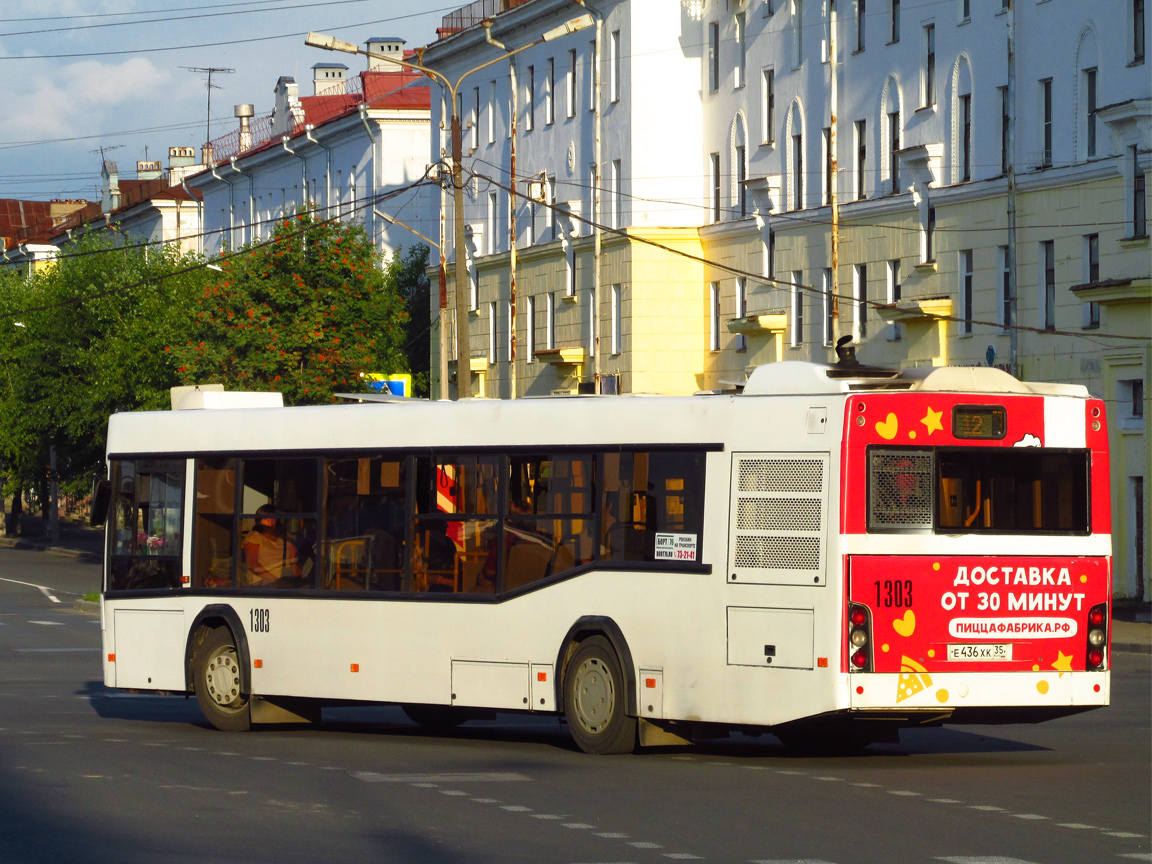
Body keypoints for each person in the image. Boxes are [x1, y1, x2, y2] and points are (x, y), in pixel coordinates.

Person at [243, 504, 300, 586]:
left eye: (274, 518)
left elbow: (294, 568)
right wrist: (276, 580)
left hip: (285, 583)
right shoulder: (255, 536)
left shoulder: (283, 540)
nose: (271, 521)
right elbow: (252, 564)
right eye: (267, 518)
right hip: (263, 583)